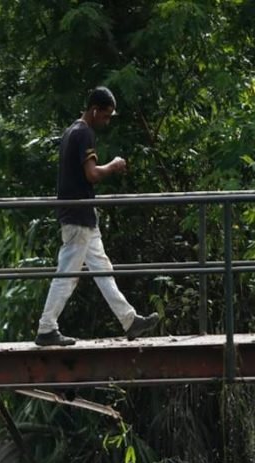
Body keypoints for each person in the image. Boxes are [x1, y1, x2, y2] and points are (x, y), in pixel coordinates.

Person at [34, 86, 159, 347]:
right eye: (106, 115)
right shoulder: (83, 134)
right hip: (78, 216)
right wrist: (113, 165)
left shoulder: (73, 131)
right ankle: (46, 328)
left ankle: (130, 320)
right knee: (68, 274)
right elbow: (91, 174)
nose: (107, 121)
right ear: (94, 110)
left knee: (103, 270)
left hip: (83, 216)